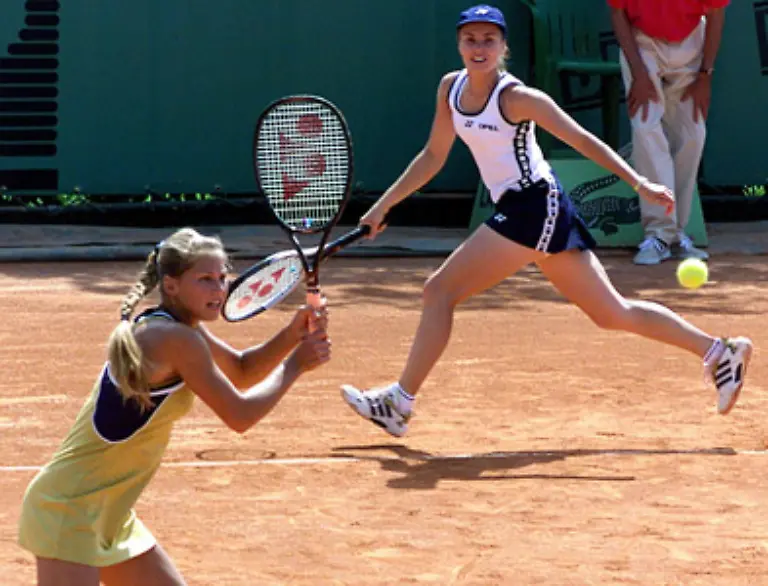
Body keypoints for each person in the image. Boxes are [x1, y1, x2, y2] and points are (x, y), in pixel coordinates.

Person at [340, 4, 751, 438]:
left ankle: (399, 403)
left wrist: (639, 183)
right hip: (534, 210)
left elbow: (581, 139)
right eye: (470, 39)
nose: (479, 48)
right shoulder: (450, 89)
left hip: (534, 206)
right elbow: (432, 156)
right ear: (459, 44)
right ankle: (719, 352)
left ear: (503, 47)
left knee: (439, 290)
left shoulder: (519, 98)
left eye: (489, 40)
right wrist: (383, 206)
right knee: (612, 312)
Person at [18, 228, 331, 586]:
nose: (219, 289)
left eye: (222, 277)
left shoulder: (179, 328)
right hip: (69, 508)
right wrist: (296, 365)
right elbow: (240, 415)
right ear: (171, 286)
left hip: (108, 512)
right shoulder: (174, 338)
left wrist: (292, 335)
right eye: (205, 279)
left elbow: (242, 371)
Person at [608, 0, 729, 265]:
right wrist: (639, 73)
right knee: (645, 126)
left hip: (691, 42)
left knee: (693, 134)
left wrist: (705, 75)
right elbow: (617, 12)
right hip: (642, 42)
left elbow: (716, 13)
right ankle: (658, 234)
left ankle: (677, 234)